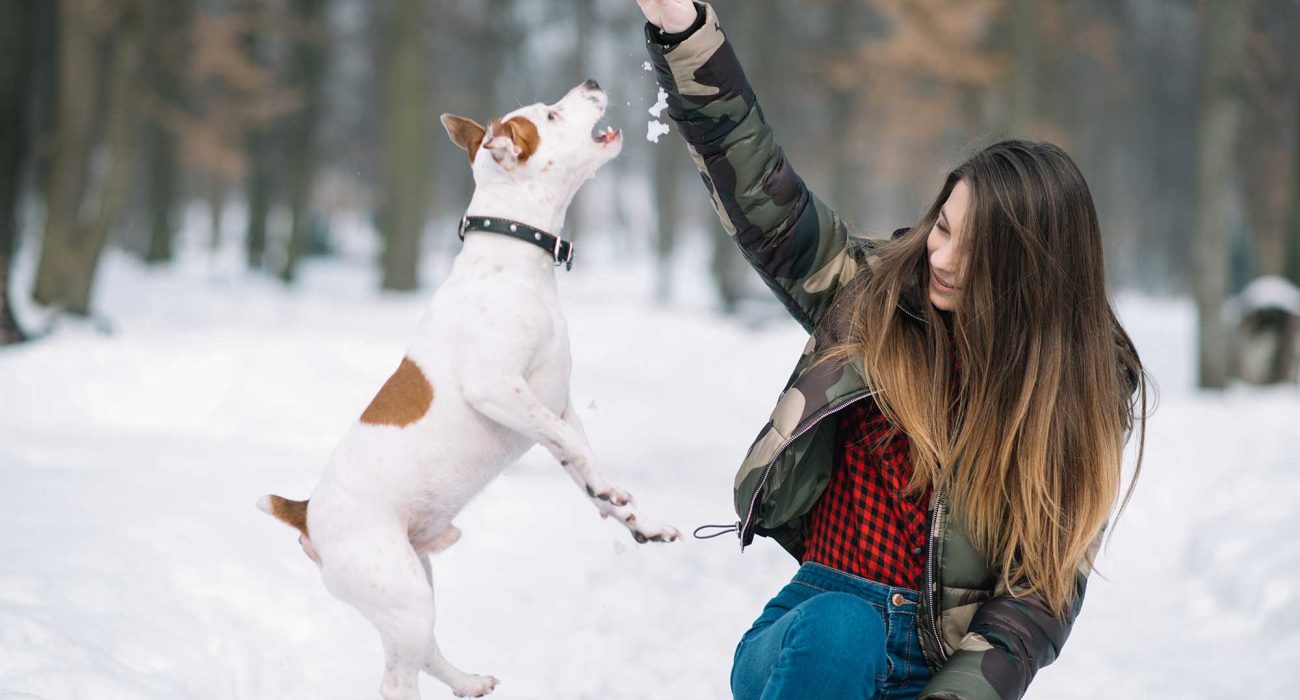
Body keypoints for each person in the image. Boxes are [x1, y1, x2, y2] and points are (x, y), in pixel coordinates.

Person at [634, 1, 1152, 699]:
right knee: (844, 629)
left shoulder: (1076, 396)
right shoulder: (871, 298)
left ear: (1030, 274)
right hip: (816, 626)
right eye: (943, 226)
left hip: (941, 667)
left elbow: (1037, 597)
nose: (940, 255)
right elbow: (765, 194)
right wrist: (687, 34)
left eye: (974, 252)